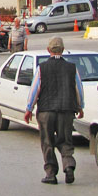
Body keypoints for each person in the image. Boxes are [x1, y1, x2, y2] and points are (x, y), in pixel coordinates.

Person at [24, 37, 85, 185]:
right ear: (63, 50)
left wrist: (29, 109)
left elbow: (34, 90)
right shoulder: (72, 68)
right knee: (65, 140)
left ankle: (51, 173)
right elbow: (79, 89)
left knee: (47, 142)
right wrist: (80, 106)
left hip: (46, 111)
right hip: (66, 110)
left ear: (48, 50)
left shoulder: (42, 68)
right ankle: (68, 165)